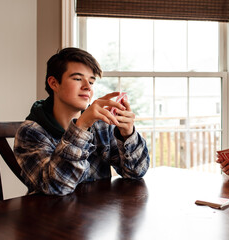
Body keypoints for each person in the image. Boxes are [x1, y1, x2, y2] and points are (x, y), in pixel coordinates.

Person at [14, 47, 150, 195]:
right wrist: (81, 127)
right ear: (54, 83)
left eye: (91, 82)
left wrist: (127, 134)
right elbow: (56, 187)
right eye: (78, 79)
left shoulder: (100, 125)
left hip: (96, 214)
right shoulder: (30, 132)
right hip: (49, 215)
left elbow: (137, 172)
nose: (87, 87)